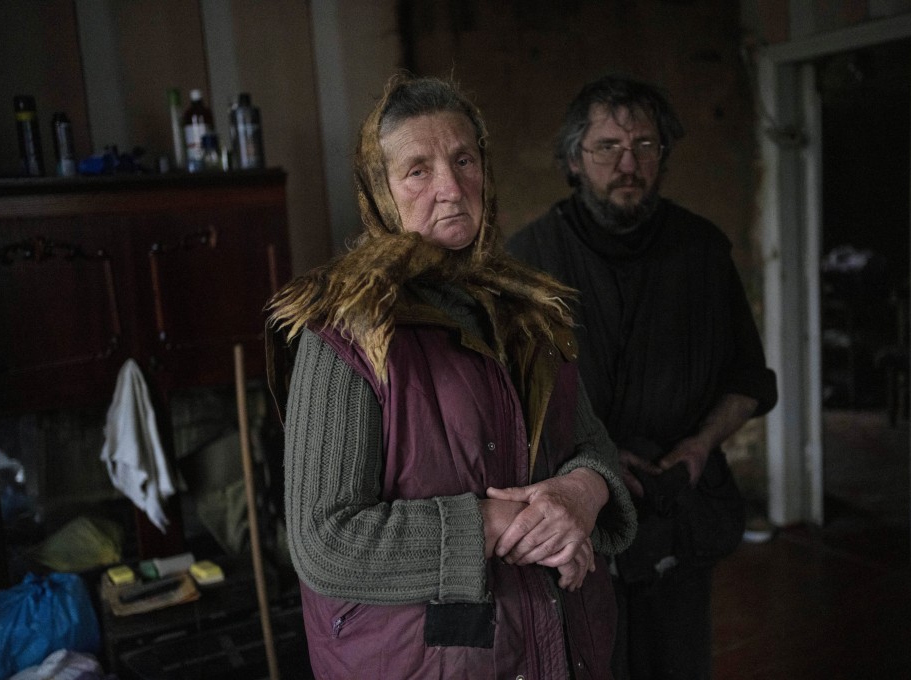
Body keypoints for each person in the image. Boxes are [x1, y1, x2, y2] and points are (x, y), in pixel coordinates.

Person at [265, 74, 637, 679]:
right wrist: (498, 523)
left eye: (464, 159)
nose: (450, 187)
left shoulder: (527, 308)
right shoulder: (346, 329)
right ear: (380, 189)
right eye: (417, 169)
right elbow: (325, 542)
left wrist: (580, 495)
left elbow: (591, 445)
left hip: (556, 643)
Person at [507, 75, 778, 679]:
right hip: (584, 520)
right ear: (575, 159)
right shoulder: (530, 262)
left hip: (681, 506)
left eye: (646, 147)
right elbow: (507, 405)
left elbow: (750, 378)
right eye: (608, 147)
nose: (628, 163)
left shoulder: (702, 251)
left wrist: (701, 446)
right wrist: (594, 464)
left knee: (680, 664)